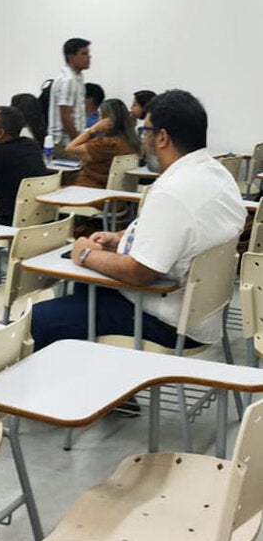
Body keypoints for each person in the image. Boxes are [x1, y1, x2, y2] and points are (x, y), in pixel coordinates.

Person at [30, 90, 246, 350]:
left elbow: (140, 273)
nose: (143, 140)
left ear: (162, 137)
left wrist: (84, 253)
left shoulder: (172, 192)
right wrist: (120, 237)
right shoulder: (217, 175)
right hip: (202, 315)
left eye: (146, 132)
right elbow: (179, 232)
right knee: (85, 290)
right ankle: (108, 385)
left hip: (167, 322)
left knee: (37, 321)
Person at [63, 98, 141, 188]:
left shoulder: (106, 144)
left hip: (87, 188)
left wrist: (92, 130)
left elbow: (69, 149)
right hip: (108, 190)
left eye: (100, 116)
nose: (98, 120)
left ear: (106, 120)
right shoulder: (131, 142)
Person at [48, 38, 90, 151]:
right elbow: (65, 116)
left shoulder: (78, 77)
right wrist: (77, 142)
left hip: (73, 140)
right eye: (84, 54)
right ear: (71, 57)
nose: (89, 57)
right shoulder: (68, 80)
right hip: (64, 142)